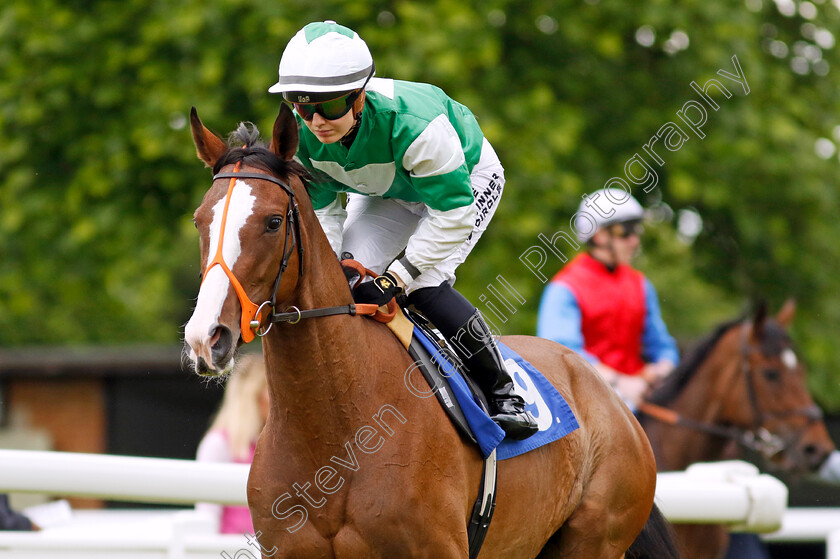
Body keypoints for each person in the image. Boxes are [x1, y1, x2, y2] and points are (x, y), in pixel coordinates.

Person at [267, 20, 537, 440]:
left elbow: (452, 214)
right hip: (386, 191)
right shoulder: (301, 139)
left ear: (359, 96)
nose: (317, 121)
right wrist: (340, 269)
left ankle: (504, 392)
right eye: (302, 105)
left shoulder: (416, 127)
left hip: (462, 187)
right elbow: (326, 216)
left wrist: (398, 277)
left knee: (422, 283)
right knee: (348, 282)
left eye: (331, 106)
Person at [536, 189, 678, 410]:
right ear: (600, 235)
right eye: (626, 232)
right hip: (586, 406)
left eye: (636, 231)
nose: (635, 241)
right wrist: (619, 381)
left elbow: (663, 347)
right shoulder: (564, 288)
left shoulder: (641, 284)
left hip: (640, 400)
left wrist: (660, 369)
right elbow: (563, 355)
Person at [195, 354, 269, 534]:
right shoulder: (218, 444)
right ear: (254, 395)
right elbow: (207, 515)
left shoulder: (273, 448)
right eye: (271, 389)